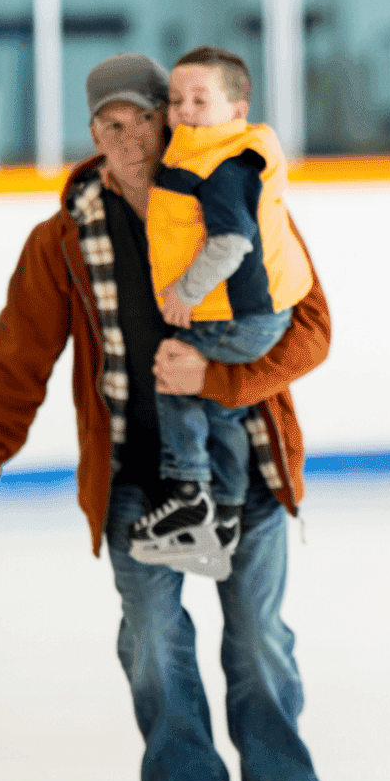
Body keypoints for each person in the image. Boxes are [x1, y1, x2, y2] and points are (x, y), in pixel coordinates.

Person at [0, 53, 351, 781]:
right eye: (107, 125)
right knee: (156, 649)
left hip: (253, 472)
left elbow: (309, 331)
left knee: (259, 646)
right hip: (138, 481)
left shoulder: (230, 194)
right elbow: (15, 367)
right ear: (92, 138)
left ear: (172, 124)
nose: (126, 138)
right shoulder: (63, 240)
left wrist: (218, 382)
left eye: (140, 119)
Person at [126, 46, 313, 582]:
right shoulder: (200, 150)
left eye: (200, 100)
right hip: (250, 315)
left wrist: (184, 293)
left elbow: (230, 244)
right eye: (176, 99)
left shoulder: (226, 163)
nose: (184, 109)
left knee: (175, 373)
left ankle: (190, 494)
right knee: (220, 409)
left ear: (236, 110)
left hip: (236, 316)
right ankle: (224, 515)